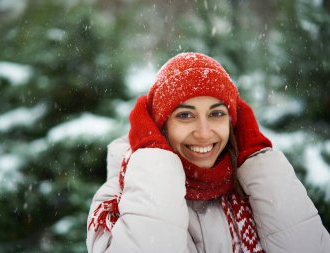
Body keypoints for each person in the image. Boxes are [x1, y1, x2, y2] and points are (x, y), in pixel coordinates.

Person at [86, 52, 330, 253]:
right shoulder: (118, 199)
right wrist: (155, 160)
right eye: (185, 115)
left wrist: (259, 162)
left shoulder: (257, 187)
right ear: (160, 126)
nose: (204, 133)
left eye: (216, 114)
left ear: (233, 122)